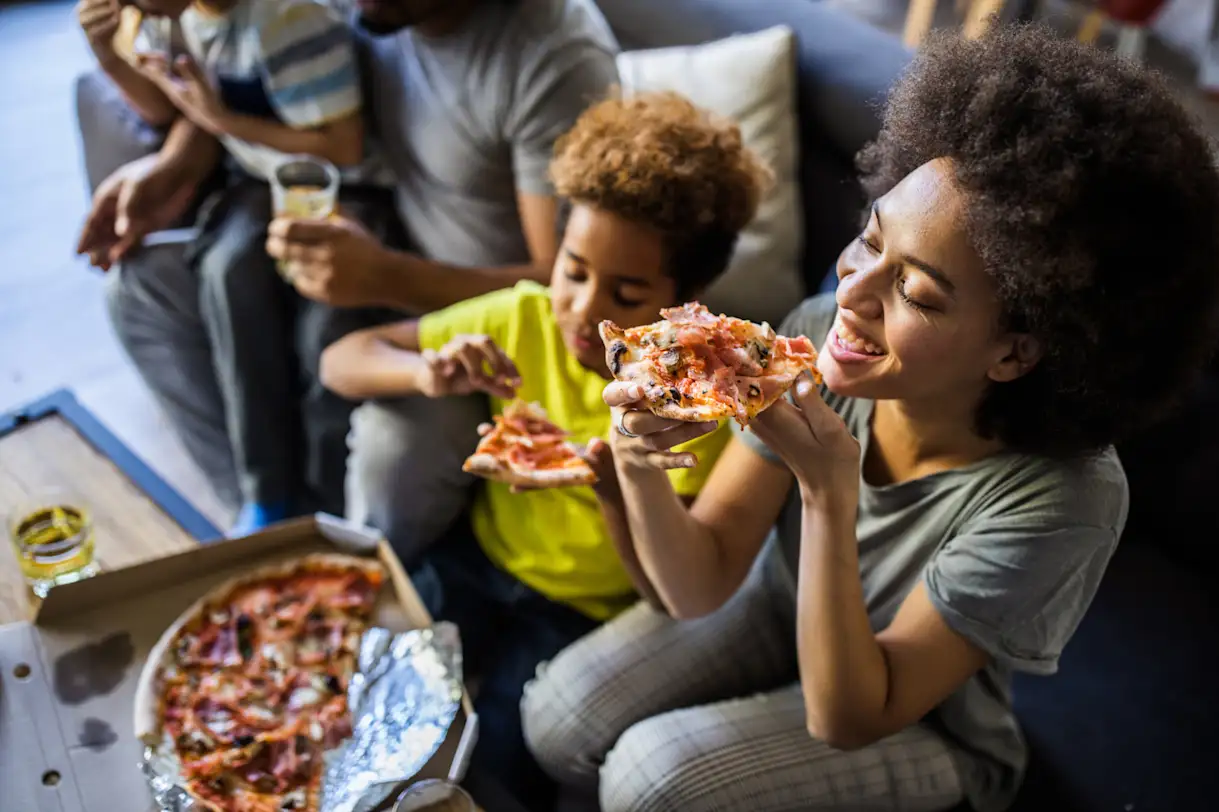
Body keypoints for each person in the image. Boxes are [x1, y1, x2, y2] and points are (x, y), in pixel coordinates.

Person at [521, 26, 1219, 812]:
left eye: (916, 294)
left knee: (651, 780)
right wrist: (640, 452)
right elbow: (699, 582)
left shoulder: (1064, 504)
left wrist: (826, 490)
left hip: (918, 719)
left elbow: (851, 714)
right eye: (868, 238)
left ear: (1016, 353)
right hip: (778, 604)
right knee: (553, 720)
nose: (851, 296)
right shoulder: (824, 331)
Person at [319, 91, 771, 807]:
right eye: (572, 269)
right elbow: (341, 358)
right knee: (359, 691)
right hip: (478, 557)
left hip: (583, 612)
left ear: (687, 299)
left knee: (491, 772)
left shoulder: (695, 399)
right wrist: (426, 371)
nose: (583, 310)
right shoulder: (522, 314)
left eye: (624, 293)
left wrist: (613, 490)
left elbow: (662, 591)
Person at [82, 0, 618, 526]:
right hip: (351, 234)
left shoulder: (555, 59)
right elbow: (251, 77)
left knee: (388, 440)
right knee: (141, 287)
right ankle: (262, 514)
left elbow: (564, 286)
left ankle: (325, 540)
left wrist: (387, 276)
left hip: (471, 330)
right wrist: (171, 165)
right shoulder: (364, 9)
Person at [75, 0, 400, 532]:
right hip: (258, 180)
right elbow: (166, 111)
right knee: (226, 271)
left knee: (324, 325)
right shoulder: (177, 19)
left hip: (348, 192)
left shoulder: (288, 20)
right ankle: (266, 492)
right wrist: (113, 59)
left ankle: (327, 506)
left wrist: (221, 119)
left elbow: (344, 146)